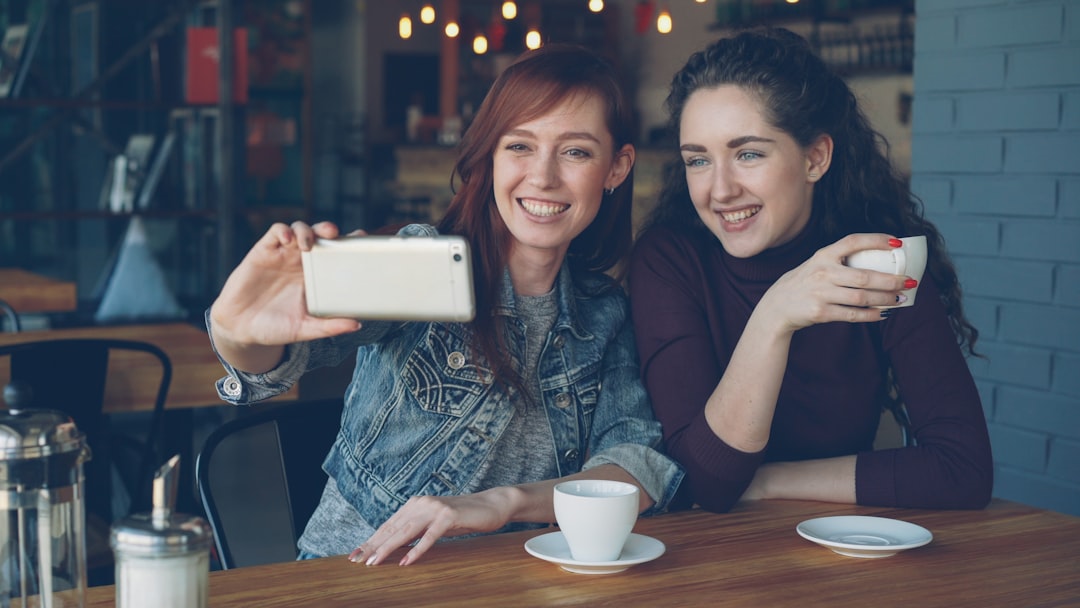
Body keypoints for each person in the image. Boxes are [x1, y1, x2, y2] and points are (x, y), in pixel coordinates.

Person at [207, 43, 683, 566]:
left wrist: (503, 503)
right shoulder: (421, 262)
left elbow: (634, 467)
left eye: (576, 152)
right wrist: (239, 334)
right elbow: (279, 360)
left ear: (616, 168)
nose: (543, 176)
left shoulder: (605, 312)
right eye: (520, 146)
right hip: (357, 578)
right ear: (491, 155)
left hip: (507, 587)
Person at [629, 28, 992, 514]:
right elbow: (707, 483)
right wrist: (775, 314)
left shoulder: (878, 262)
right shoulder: (669, 261)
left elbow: (962, 471)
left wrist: (767, 481)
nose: (719, 190)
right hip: (704, 562)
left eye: (748, 154)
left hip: (844, 552)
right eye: (698, 160)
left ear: (814, 158)